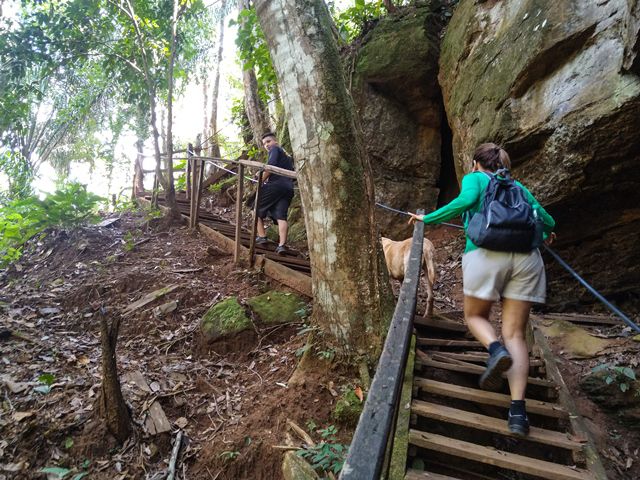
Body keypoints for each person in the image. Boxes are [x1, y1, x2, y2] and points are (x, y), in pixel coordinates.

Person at [408, 143, 556, 437]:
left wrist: (428, 218)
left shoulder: (475, 178)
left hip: (485, 254)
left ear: (476, 162)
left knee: (476, 318)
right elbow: (547, 220)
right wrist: (548, 233)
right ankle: (517, 413)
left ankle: (495, 349)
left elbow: (466, 201)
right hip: (527, 260)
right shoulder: (517, 187)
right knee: (515, 332)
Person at [255, 132, 295, 255]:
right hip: (288, 188)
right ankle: (282, 245)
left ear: (275, 141)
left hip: (275, 186)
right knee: (281, 216)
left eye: (268, 142)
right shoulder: (287, 157)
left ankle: (262, 237)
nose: (267, 145)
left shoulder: (275, 149)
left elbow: (270, 166)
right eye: (264, 144)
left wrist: (260, 180)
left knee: (254, 209)